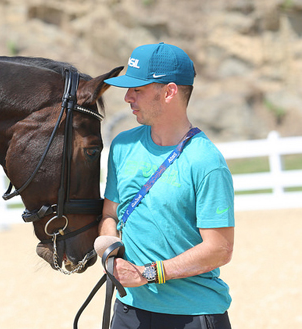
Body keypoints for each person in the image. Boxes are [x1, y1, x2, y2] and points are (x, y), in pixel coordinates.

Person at [98, 42, 235, 328]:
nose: (127, 98)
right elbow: (110, 214)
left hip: (192, 313)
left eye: (138, 90)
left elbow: (220, 249)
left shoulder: (206, 161)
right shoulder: (122, 146)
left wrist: (146, 273)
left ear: (170, 92)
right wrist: (110, 248)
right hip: (128, 310)